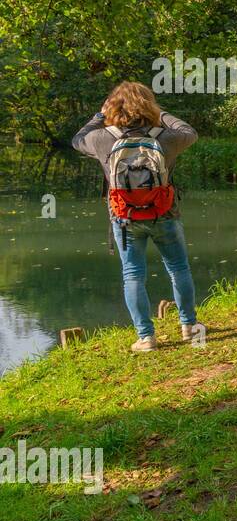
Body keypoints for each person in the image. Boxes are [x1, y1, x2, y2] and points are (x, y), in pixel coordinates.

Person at [72, 81, 199, 352]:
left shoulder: (102, 138)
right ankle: (189, 327)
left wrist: (98, 116)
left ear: (112, 108)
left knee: (132, 276)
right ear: (149, 105)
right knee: (178, 269)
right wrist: (160, 112)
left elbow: (76, 140)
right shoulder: (164, 137)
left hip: (124, 218)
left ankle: (146, 338)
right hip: (165, 213)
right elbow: (189, 132)